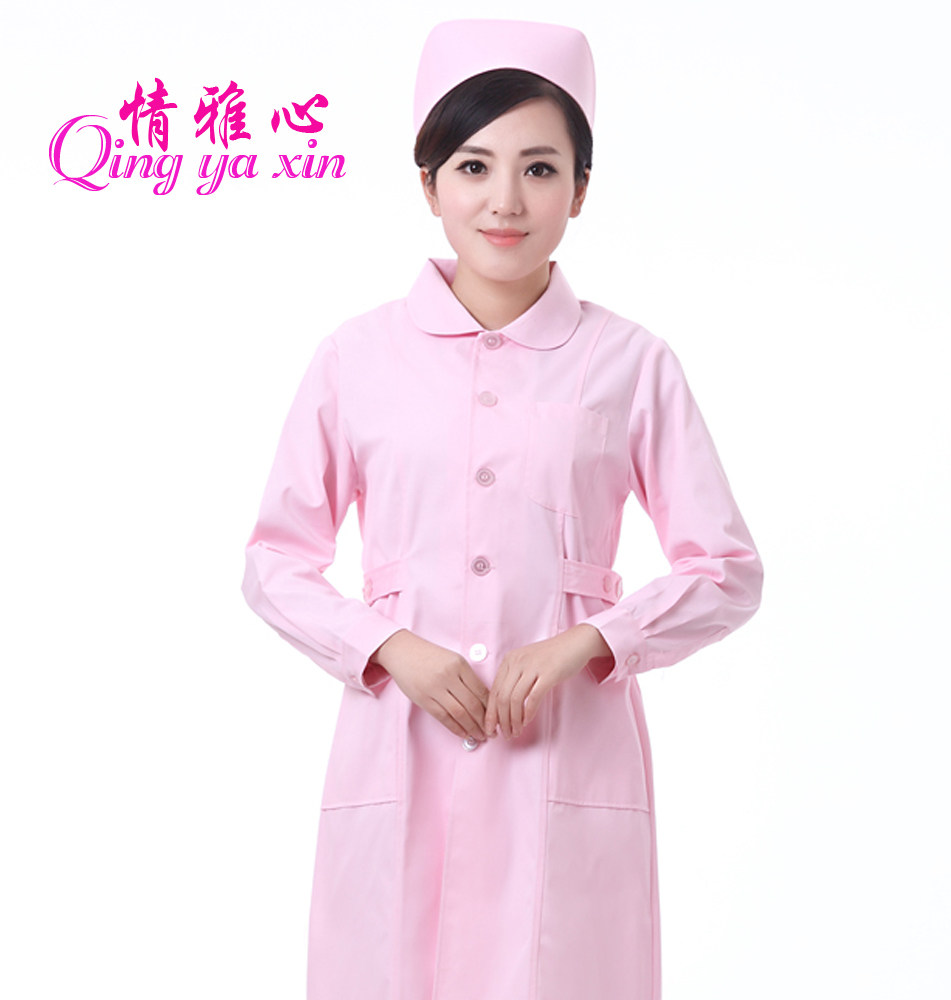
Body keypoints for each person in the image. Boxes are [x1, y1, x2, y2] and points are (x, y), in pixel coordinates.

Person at [242, 17, 763, 1000]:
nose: (505, 201)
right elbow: (274, 561)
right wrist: (388, 647)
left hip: (566, 747)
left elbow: (726, 569)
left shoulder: (629, 363)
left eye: (539, 169)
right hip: (399, 739)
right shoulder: (356, 359)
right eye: (474, 167)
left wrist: (586, 641)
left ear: (581, 188)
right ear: (429, 183)